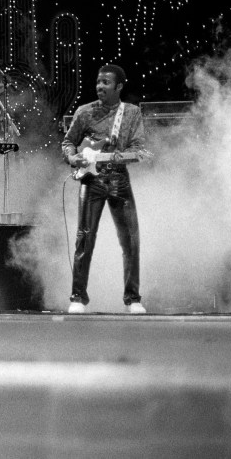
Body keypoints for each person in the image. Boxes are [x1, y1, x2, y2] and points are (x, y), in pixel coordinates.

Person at [61, 64, 148, 314]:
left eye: (106, 83)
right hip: (92, 181)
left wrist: (116, 157)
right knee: (84, 238)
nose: (100, 86)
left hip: (119, 179)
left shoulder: (131, 113)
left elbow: (140, 149)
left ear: (119, 87)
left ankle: (133, 299)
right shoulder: (84, 112)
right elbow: (68, 141)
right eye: (98, 82)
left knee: (130, 241)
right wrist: (72, 157)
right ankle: (78, 297)